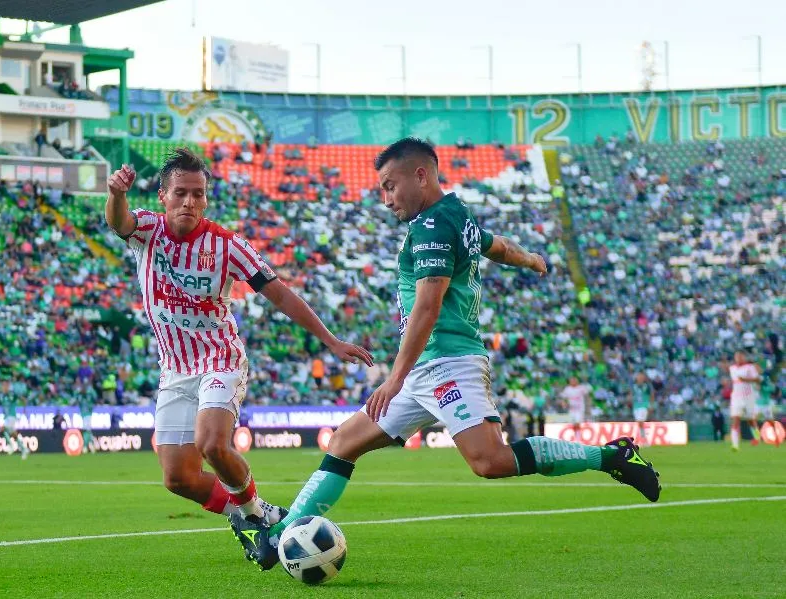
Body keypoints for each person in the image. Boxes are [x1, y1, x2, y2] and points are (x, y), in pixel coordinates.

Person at [229, 137, 661, 570]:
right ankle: (280, 536)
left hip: (447, 363)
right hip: (423, 369)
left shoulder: (431, 227)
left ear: (421, 175)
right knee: (343, 442)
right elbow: (499, 248)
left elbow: (428, 306)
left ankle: (612, 455)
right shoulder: (459, 216)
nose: (385, 200)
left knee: (490, 461)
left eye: (389, 186)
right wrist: (528, 258)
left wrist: (394, 378)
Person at [104, 149, 372, 527]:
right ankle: (259, 514)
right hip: (175, 370)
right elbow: (119, 222)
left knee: (212, 444)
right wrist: (116, 195)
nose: (189, 201)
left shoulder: (228, 245)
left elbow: (279, 293)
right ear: (163, 196)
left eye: (198, 194)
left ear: (206, 199)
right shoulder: (147, 230)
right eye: (180, 192)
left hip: (220, 360)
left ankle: (259, 522)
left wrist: (329, 340)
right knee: (178, 478)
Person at [728, 351, 761, 451]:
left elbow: (757, 380)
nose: (738, 358)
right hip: (736, 397)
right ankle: (735, 445)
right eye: (736, 356)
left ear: (744, 357)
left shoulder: (749, 367)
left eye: (740, 356)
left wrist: (746, 380)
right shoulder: (732, 368)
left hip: (748, 397)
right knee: (735, 419)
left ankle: (757, 436)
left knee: (750, 420)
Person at [560, 376, 592, 442]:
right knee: (574, 424)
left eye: (574, 380)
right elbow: (563, 398)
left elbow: (588, 396)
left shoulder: (581, 388)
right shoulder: (567, 389)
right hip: (571, 409)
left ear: (577, 381)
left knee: (578, 423)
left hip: (580, 409)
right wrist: (564, 403)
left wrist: (588, 407)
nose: (573, 382)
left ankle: (578, 440)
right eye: (571, 380)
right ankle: (576, 437)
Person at [631, 372, 653, 444]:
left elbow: (651, 395)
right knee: (639, 423)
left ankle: (644, 439)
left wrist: (650, 405)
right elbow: (631, 395)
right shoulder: (634, 386)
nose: (640, 379)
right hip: (636, 407)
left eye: (641, 377)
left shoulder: (646, 386)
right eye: (639, 377)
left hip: (644, 406)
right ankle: (644, 439)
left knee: (640, 422)